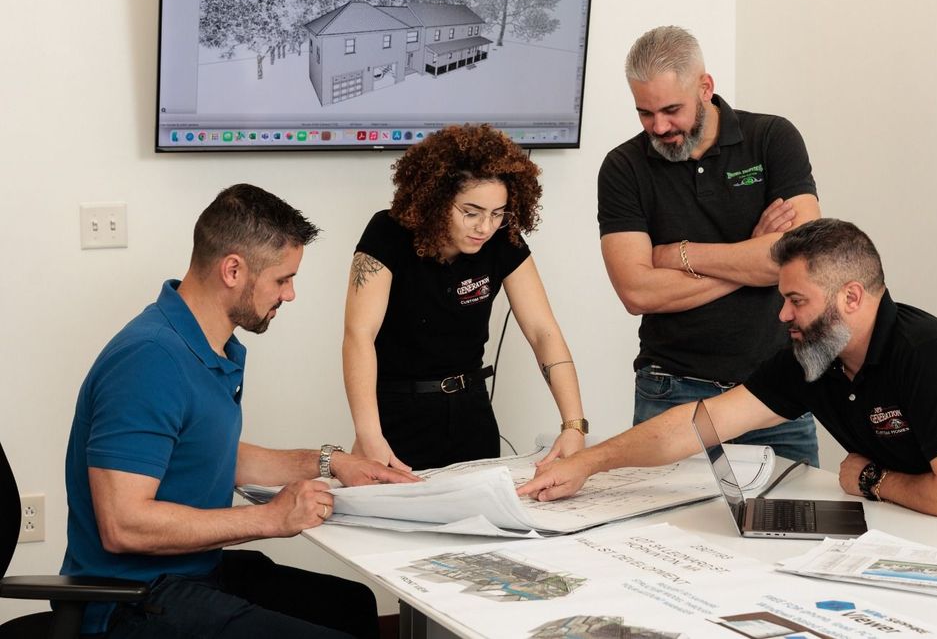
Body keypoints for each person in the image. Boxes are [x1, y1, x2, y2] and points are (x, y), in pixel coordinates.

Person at [521, 219, 937, 545]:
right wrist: (588, 462)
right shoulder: (815, 353)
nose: (783, 316)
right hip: (932, 541)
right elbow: (698, 425)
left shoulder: (933, 355)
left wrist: (871, 480)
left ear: (852, 298)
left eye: (796, 301)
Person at [61, 184, 419, 639]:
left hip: (188, 573)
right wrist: (270, 518)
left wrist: (332, 463)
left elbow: (212, 454)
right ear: (233, 269)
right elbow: (123, 524)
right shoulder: (150, 359)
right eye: (282, 279)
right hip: (130, 601)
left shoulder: (208, 345)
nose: (289, 295)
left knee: (351, 605)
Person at [598, 25, 821, 464]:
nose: (659, 127)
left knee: (796, 530)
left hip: (776, 391)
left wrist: (679, 255)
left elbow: (802, 259)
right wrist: (753, 253)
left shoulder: (773, 139)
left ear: (705, 87)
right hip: (671, 392)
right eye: (644, 113)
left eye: (671, 110)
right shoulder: (623, 167)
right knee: (659, 533)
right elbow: (638, 292)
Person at [343, 124, 588, 471]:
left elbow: (542, 331)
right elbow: (359, 335)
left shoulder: (502, 242)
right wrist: (368, 434)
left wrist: (574, 424)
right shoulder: (388, 233)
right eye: (471, 212)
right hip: (397, 414)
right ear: (436, 199)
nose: (485, 228)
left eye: (497, 213)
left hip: (472, 413)